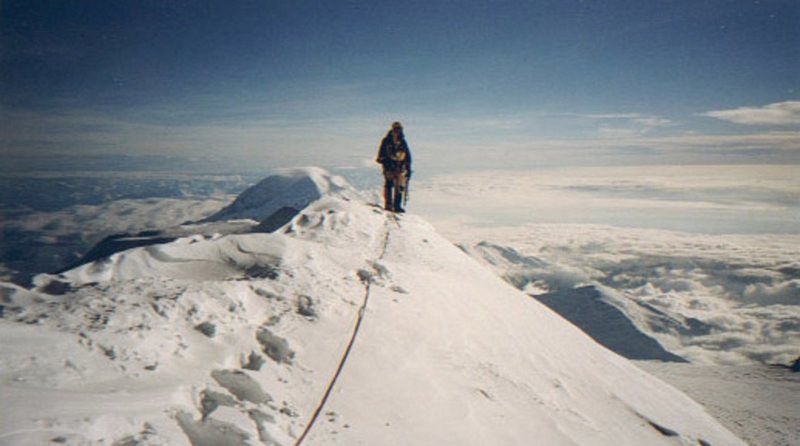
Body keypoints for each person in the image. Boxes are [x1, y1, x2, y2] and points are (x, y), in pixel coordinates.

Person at [376, 121, 412, 213]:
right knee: (389, 185)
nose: (398, 131)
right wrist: (385, 162)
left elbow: (407, 156)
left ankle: (396, 206)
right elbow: (380, 156)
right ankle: (389, 205)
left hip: (399, 168)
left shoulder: (402, 142)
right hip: (389, 168)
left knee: (398, 187)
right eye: (396, 129)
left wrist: (408, 168)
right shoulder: (387, 141)